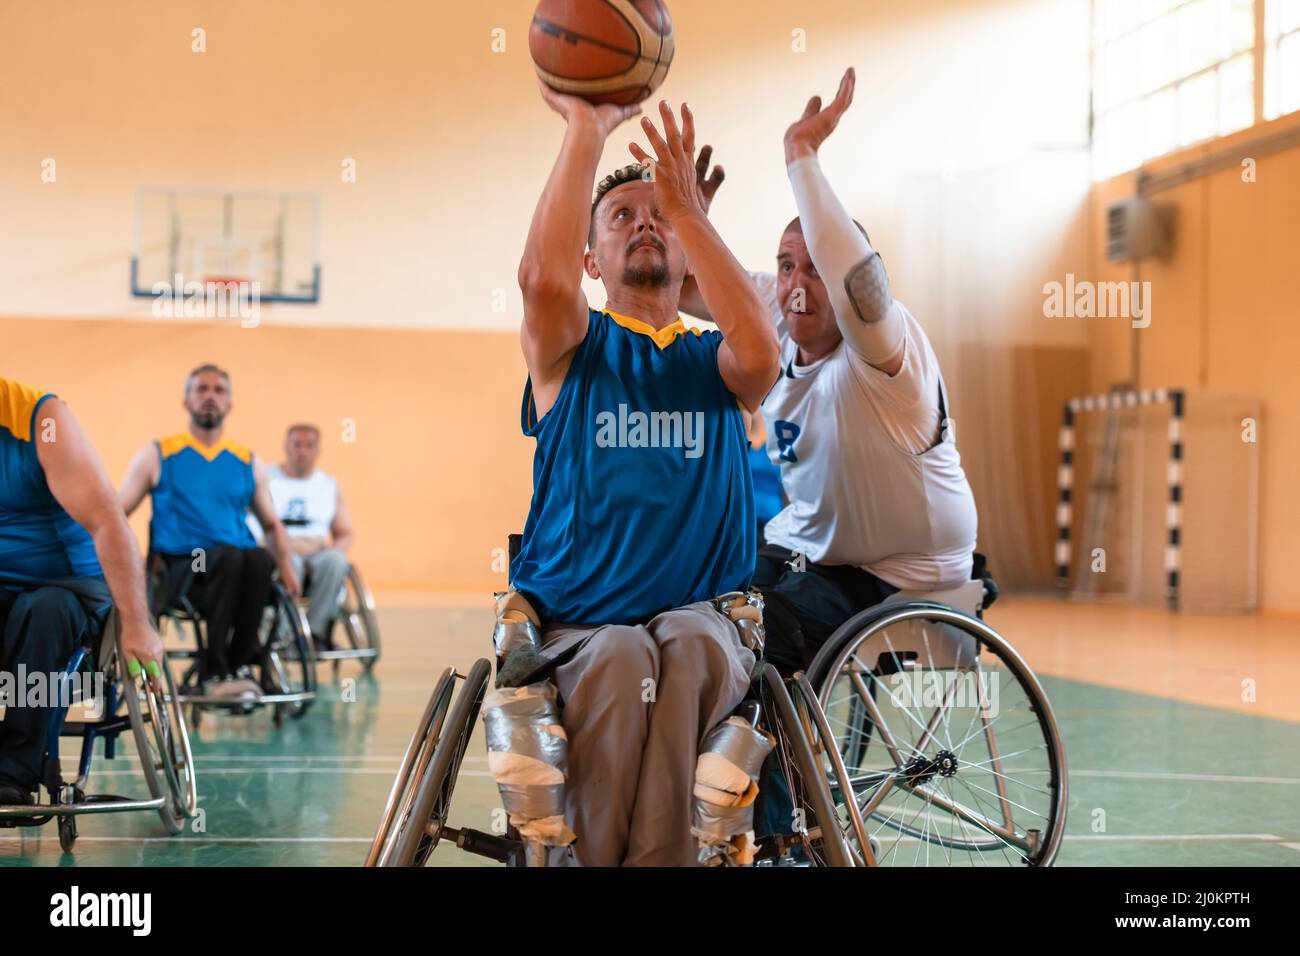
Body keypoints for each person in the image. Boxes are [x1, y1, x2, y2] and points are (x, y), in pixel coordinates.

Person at [508, 81, 780, 866]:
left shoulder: (714, 360)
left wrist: (690, 213)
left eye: (655, 215)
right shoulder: (573, 347)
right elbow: (540, 281)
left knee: (692, 644)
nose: (643, 226)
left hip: (704, 614)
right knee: (627, 657)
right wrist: (588, 128)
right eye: (622, 218)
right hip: (581, 628)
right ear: (593, 258)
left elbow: (762, 350)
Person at [680, 68, 979, 676]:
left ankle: (770, 770)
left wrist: (801, 159)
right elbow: (684, 284)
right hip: (809, 547)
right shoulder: (777, 310)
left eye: (814, 267)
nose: (795, 283)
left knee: (752, 638)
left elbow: (856, 283)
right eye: (786, 266)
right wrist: (690, 221)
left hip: (900, 572)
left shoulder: (882, 345)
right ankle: (743, 752)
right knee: (700, 600)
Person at [0, 377, 163, 806]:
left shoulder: (39, 418)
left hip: (69, 587)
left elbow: (108, 521)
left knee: (43, 609)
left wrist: (137, 625)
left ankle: (14, 772)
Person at [119, 364, 300, 700]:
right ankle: (214, 673)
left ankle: (240, 664)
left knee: (259, 558)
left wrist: (287, 565)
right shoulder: (159, 453)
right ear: (186, 401)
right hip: (183, 566)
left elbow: (272, 524)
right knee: (227, 556)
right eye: (201, 389)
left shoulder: (247, 460)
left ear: (230, 405)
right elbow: (116, 513)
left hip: (238, 565)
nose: (210, 397)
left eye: (219, 391)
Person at [265, 424, 354, 649]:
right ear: (286, 446)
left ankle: (315, 634)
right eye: (297, 445)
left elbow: (345, 532)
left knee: (336, 561)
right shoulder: (266, 478)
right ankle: (284, 635)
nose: (302, 451)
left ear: (317, 450)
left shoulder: (327, 484)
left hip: (316, 551)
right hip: (280, 549)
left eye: (309, 446)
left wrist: (336, 549)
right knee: (288, 560)